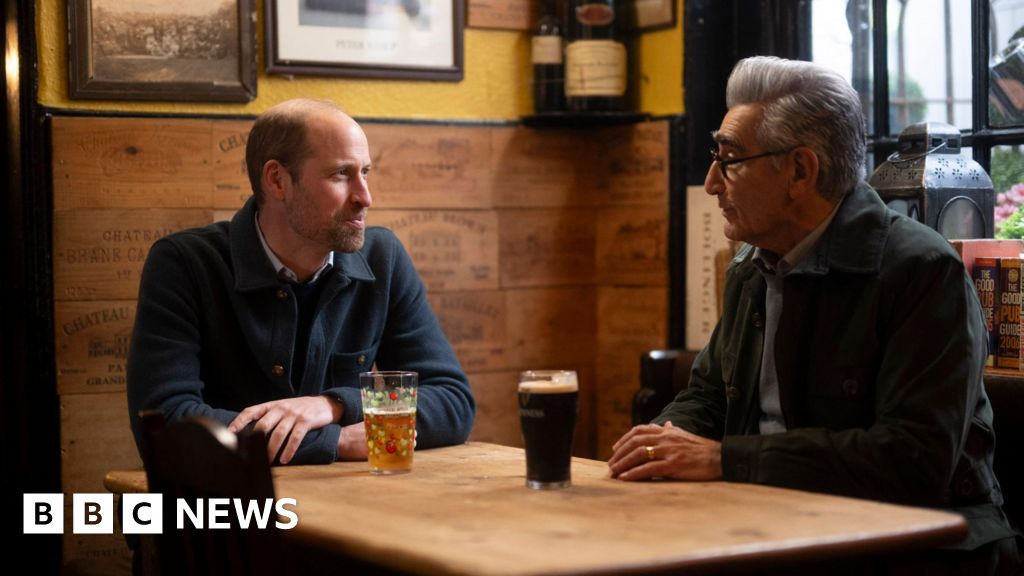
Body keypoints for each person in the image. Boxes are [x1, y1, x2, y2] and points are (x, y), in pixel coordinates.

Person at [607, 56, 1021, 573]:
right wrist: (657, 445)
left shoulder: (923, 271)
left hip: (922, 549)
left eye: (730, 159)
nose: (712, 182)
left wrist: (722, 459)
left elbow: (912, 461)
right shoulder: (750, 267)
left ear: (800, 171)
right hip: (778, 525)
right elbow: (709, 396)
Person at [127, 98, 475, 466]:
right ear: (277, 180)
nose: (365, 197)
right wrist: (333, 441)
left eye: (365, 172)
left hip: (352, 499)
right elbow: (166, 426)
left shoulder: (382, 258)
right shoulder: (185, 263)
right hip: (230, 502)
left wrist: (334, 405)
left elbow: (452, 403)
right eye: (340, 174)